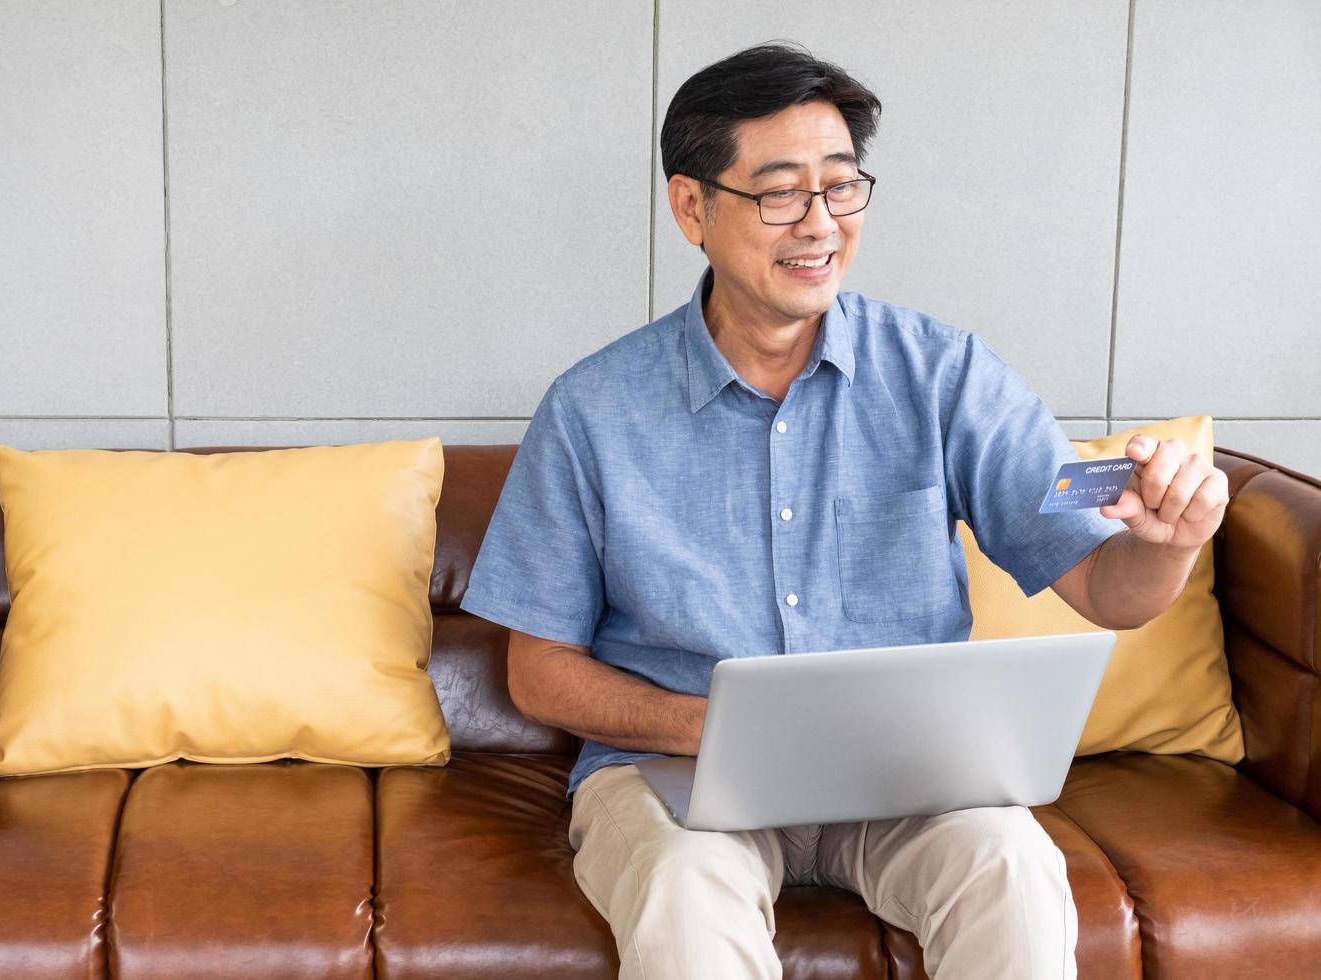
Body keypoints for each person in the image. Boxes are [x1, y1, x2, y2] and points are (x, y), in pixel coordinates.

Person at [458, 42, 1228, 980]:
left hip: (911, 781)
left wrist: (1170, 543)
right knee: (684, 894)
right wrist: (714, 727)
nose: (819, 224)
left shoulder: (942, 373)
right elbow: (538, 673)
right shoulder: (594, 409)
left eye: (842, 187)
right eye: (780, 192)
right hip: (678, 778)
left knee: (1016, 866)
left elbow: (1110, 590)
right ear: (691, 205)